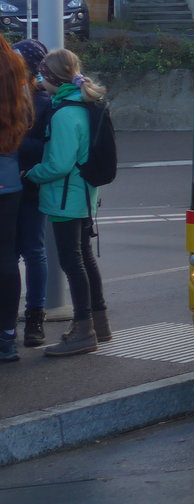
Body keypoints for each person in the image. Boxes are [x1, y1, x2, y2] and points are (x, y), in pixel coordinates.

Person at [23, 49, 112, 355]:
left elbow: (58, 165)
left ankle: (83, 330)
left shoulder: (64, 114)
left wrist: (30, 173)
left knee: (72, 263)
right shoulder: (83, 105)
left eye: (40, 73)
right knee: (84, 258)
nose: (37, 78)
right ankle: (99, 323)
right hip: (84, 195)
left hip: (64, 198)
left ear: (50, 77)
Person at [12, 39, 51, 346]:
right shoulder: (5, 95)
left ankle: (35, 317)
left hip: (31, 187)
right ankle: (8, 316)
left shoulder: (44, 102)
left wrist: (15, 141)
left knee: (34, 252)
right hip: (7, 188)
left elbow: (47, 148)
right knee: (7, 256)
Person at [0, 38, 34, 362]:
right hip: (8, 177)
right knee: (6, 256)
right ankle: (7, 335)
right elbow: (26, 114)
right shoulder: (14, 65)